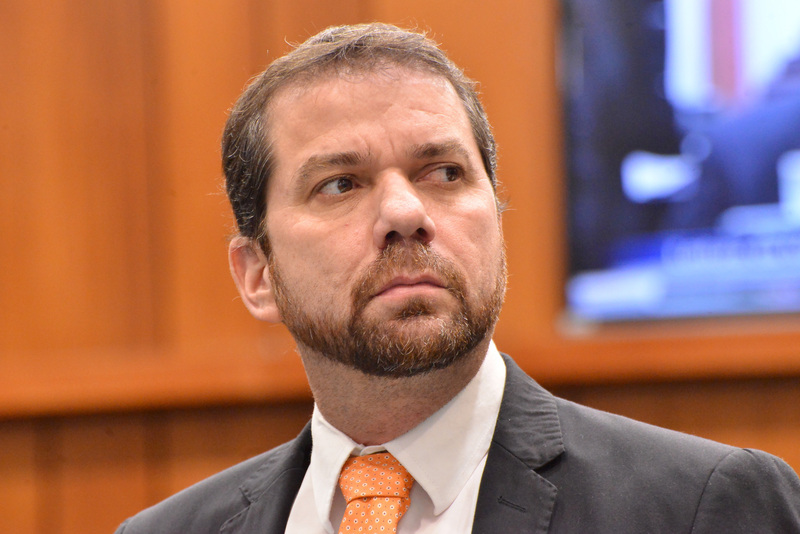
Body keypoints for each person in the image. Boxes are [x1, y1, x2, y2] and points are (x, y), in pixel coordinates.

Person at [116, 23, 800, 533]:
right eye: (340, 183)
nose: (405, 213)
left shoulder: (701, 507)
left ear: (496, 220)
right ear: (257, 275)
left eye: (444, 172)